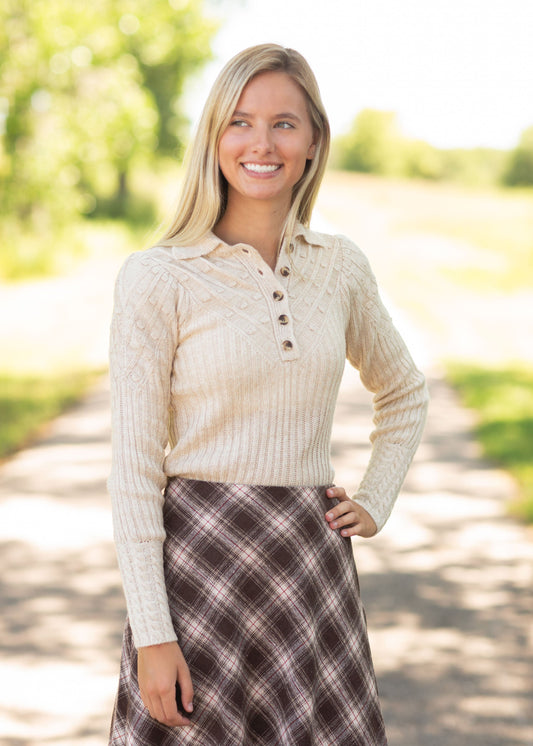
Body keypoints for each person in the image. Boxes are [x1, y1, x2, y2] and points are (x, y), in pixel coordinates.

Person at [107, 43, 428, 746]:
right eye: (240, 122)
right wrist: (153, 636)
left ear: (313, 141)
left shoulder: (339, 267)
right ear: (214, 137)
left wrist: (375, 495)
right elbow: (133, 472)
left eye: (284, 124)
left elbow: (403, 391)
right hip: (196, 569)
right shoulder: (157, 277)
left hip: (306, 572)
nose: (261, 143)